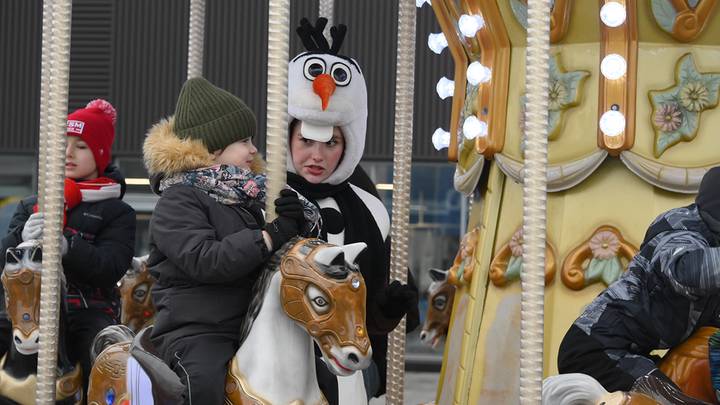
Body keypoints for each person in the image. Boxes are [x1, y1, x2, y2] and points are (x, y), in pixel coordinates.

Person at [142, 77, 320, 404]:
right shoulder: (178, 201)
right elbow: (206, 259)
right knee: (204, 383)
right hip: (198, 328)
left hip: (254, 322)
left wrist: (295, 226)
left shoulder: (250, 198)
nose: (254, 150)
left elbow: (282, 264)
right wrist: (269, 235)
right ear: (210, 150)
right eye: (243, 141)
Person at [287, 17, 419, 401]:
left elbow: (373, 304)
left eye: (331, 144)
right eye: (307, 140)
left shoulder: (369, 211)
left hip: (342, 351)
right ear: (289, 136)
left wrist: (390, 307)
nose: (316, 156)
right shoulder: (263, 197)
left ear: (349, 146)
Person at [0, 99, 136, 390]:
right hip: (28, 309)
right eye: (64, 143)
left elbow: (110, 267)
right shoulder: (30, 205)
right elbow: (3, 261)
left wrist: (67, 246)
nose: (68, 152)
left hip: (86, 309)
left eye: (81, 146)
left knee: (103, 358)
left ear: (99, 153)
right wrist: (20, 239)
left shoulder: (116, 212)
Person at [558, 167, 720, 400]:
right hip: (596, 350)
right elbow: (683, 271)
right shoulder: (682, 227)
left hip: (636, 354)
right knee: (672, 400)